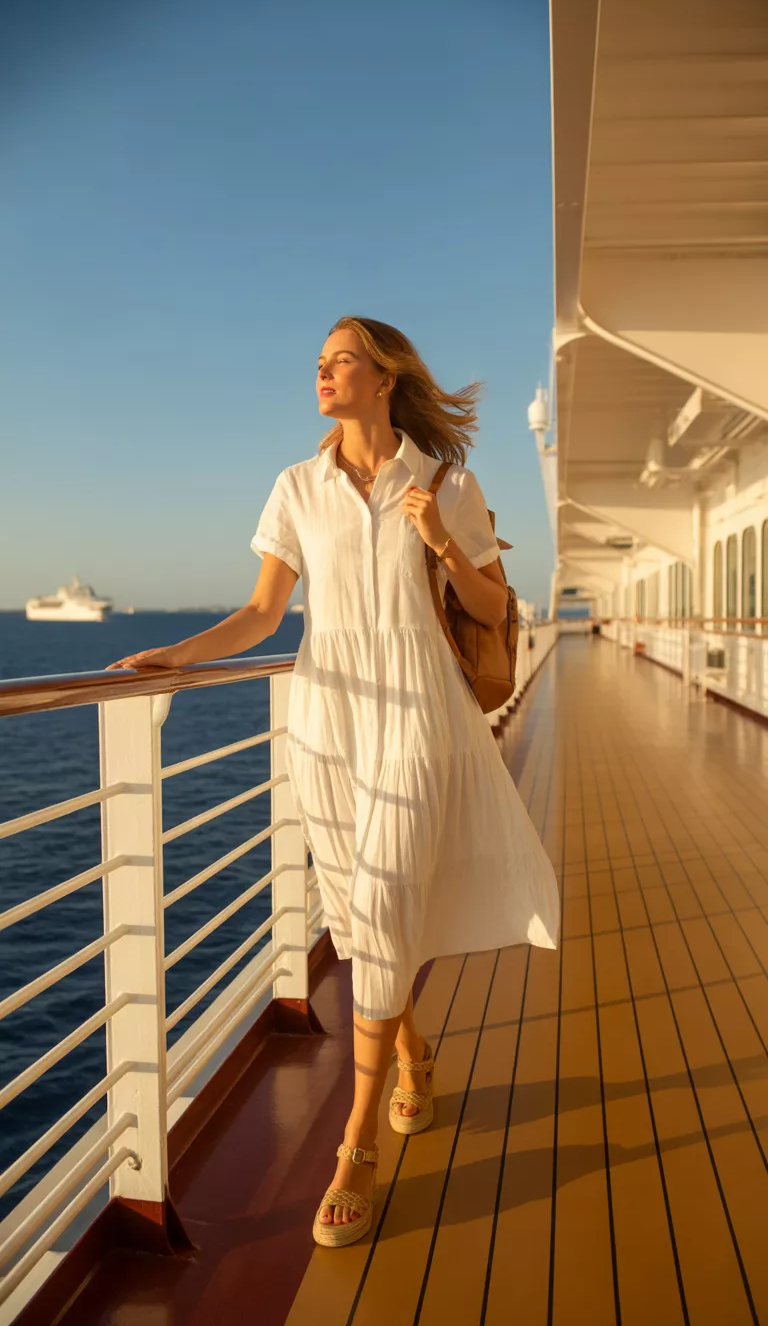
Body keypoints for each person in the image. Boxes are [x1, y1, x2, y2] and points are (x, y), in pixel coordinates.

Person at [108, 315, 560, 1248]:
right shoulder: (296, 487)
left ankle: (354, 1146)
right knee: (358, 915)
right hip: (326, 720)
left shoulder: (444, 482)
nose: (321, 373)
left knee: (388, 895)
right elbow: (263, 612)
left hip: (420, 714)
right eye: (316, 363)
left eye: (339, 360)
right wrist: (178, 658)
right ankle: (414, 1053)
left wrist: (439, 540)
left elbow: (493, 604)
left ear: (385, 376)